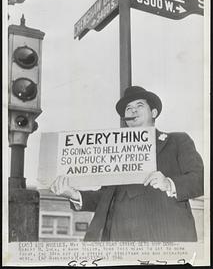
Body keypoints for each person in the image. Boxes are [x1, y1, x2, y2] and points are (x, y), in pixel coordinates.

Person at [51, 86, 204, 241]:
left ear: (154, 112)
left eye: (139, 106)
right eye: (128, 108)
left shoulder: (176, 141)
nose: (133, 111)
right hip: (118, 239)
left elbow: (200, 179)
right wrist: (74, 194)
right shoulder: (115, 151)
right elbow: (105, 198)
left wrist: (168, 183)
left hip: (163, 236)